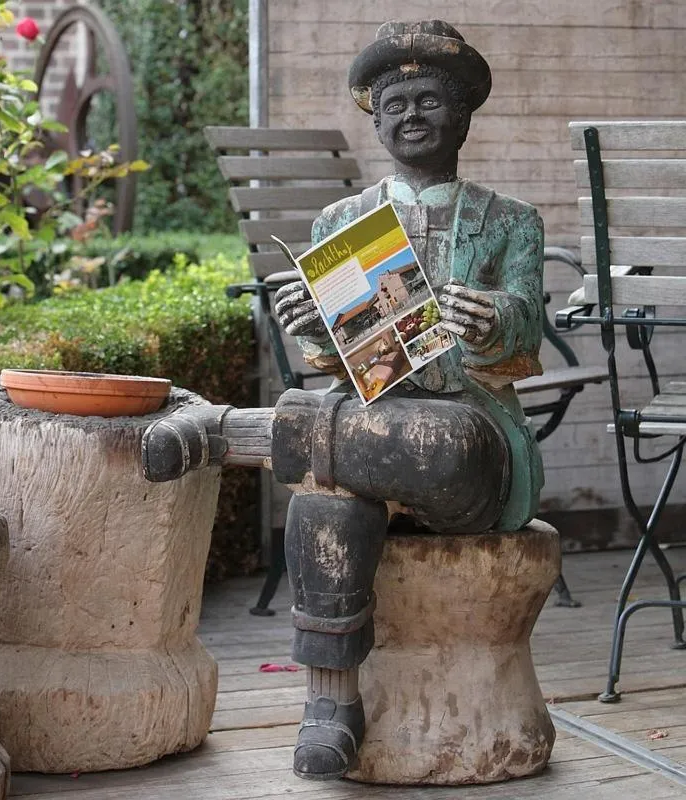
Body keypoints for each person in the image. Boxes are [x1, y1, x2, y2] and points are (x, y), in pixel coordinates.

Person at [272, 20, 546, 781]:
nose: (411, 115)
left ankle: (248, 433)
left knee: (429, 442)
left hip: (470, 433)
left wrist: (495, 319)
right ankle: (331, 706)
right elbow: (337, 358)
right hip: (371, 424)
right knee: (327, 499)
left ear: (462, 116)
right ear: (376, 121)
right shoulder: (341, 224)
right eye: (394, 105)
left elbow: (528, 331)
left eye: (429, 99)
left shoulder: (511, 221)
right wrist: (314, 326)